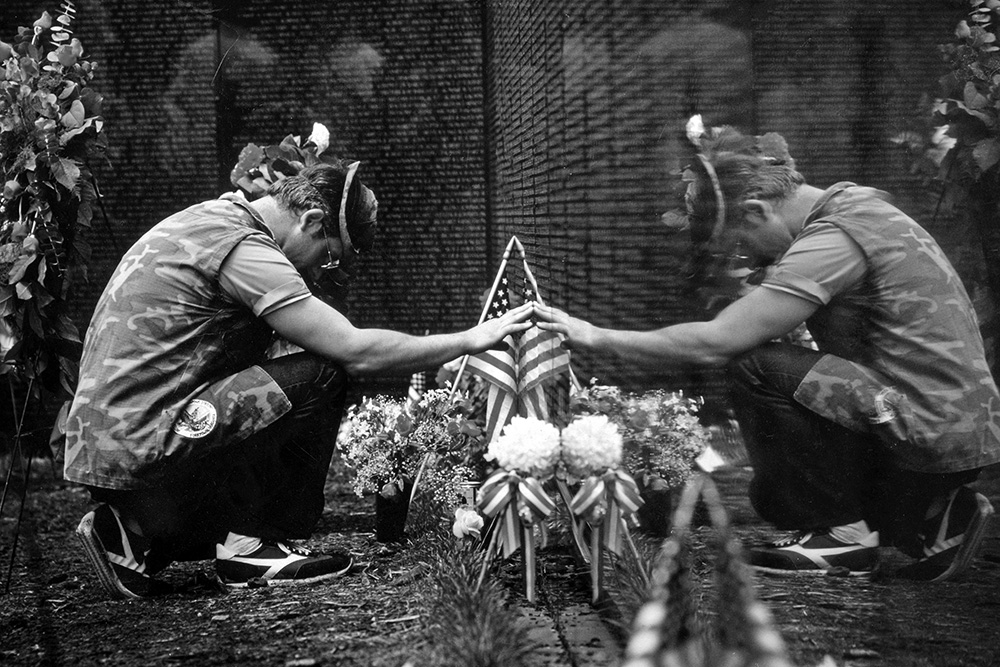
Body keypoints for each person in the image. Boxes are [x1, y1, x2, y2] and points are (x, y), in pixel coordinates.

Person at [534, 122, 1000, 581]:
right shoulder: (858, 208)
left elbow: (720, 342)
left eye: (740, 247)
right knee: (773, 497)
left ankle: (846, 540)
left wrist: (595, 335)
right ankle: (932, 513)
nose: (748, 261)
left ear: (756, 212)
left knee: (754, 365)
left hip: (930, 423)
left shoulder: (834, 238)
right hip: (950, 422)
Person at [64, 160, 533, 599]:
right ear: (311, 221)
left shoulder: (210, 219)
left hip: (116, 445)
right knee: (321, 374)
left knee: (276, 386)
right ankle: (249, 550)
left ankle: (134, 534)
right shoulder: (245, 248)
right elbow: (356, 352)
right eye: (328, 258)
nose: (314, 273)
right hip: (146, 440)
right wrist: (473, 339)